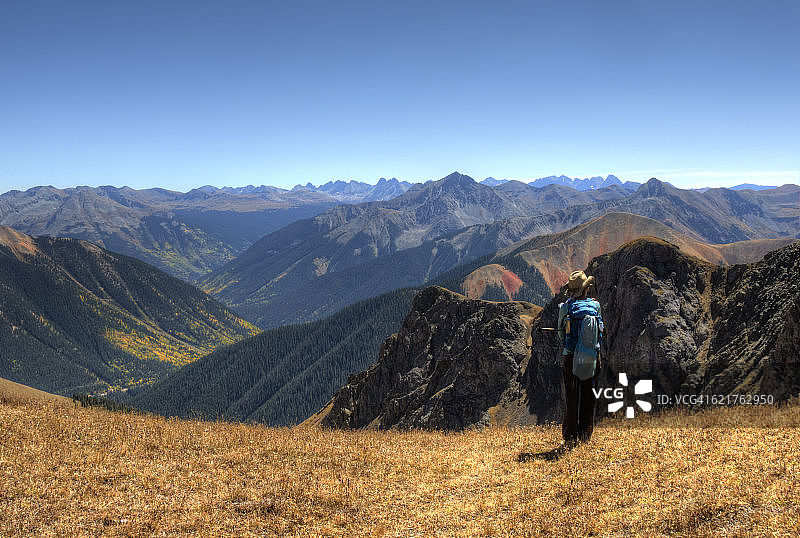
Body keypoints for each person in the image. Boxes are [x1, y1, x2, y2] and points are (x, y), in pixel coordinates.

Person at [557, 270, 604, 448]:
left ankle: (570, 437)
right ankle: (586, 434)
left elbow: (562, 335)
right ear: (586, 289)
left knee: (571, 397)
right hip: (592, 357)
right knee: (588, 396)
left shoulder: (565, 308)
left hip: (571, 357)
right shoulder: (596, 306)